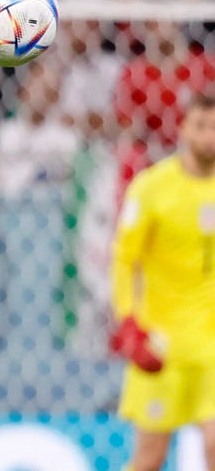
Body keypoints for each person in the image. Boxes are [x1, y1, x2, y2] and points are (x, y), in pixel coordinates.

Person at [109, 92, 215, 471]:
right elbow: (125, 259)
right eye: (201, 126)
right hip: (162, 342)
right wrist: (128, 321)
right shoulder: (153, 188)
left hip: (211, 345)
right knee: (150, 458)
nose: (209, 137)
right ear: (184, 129)